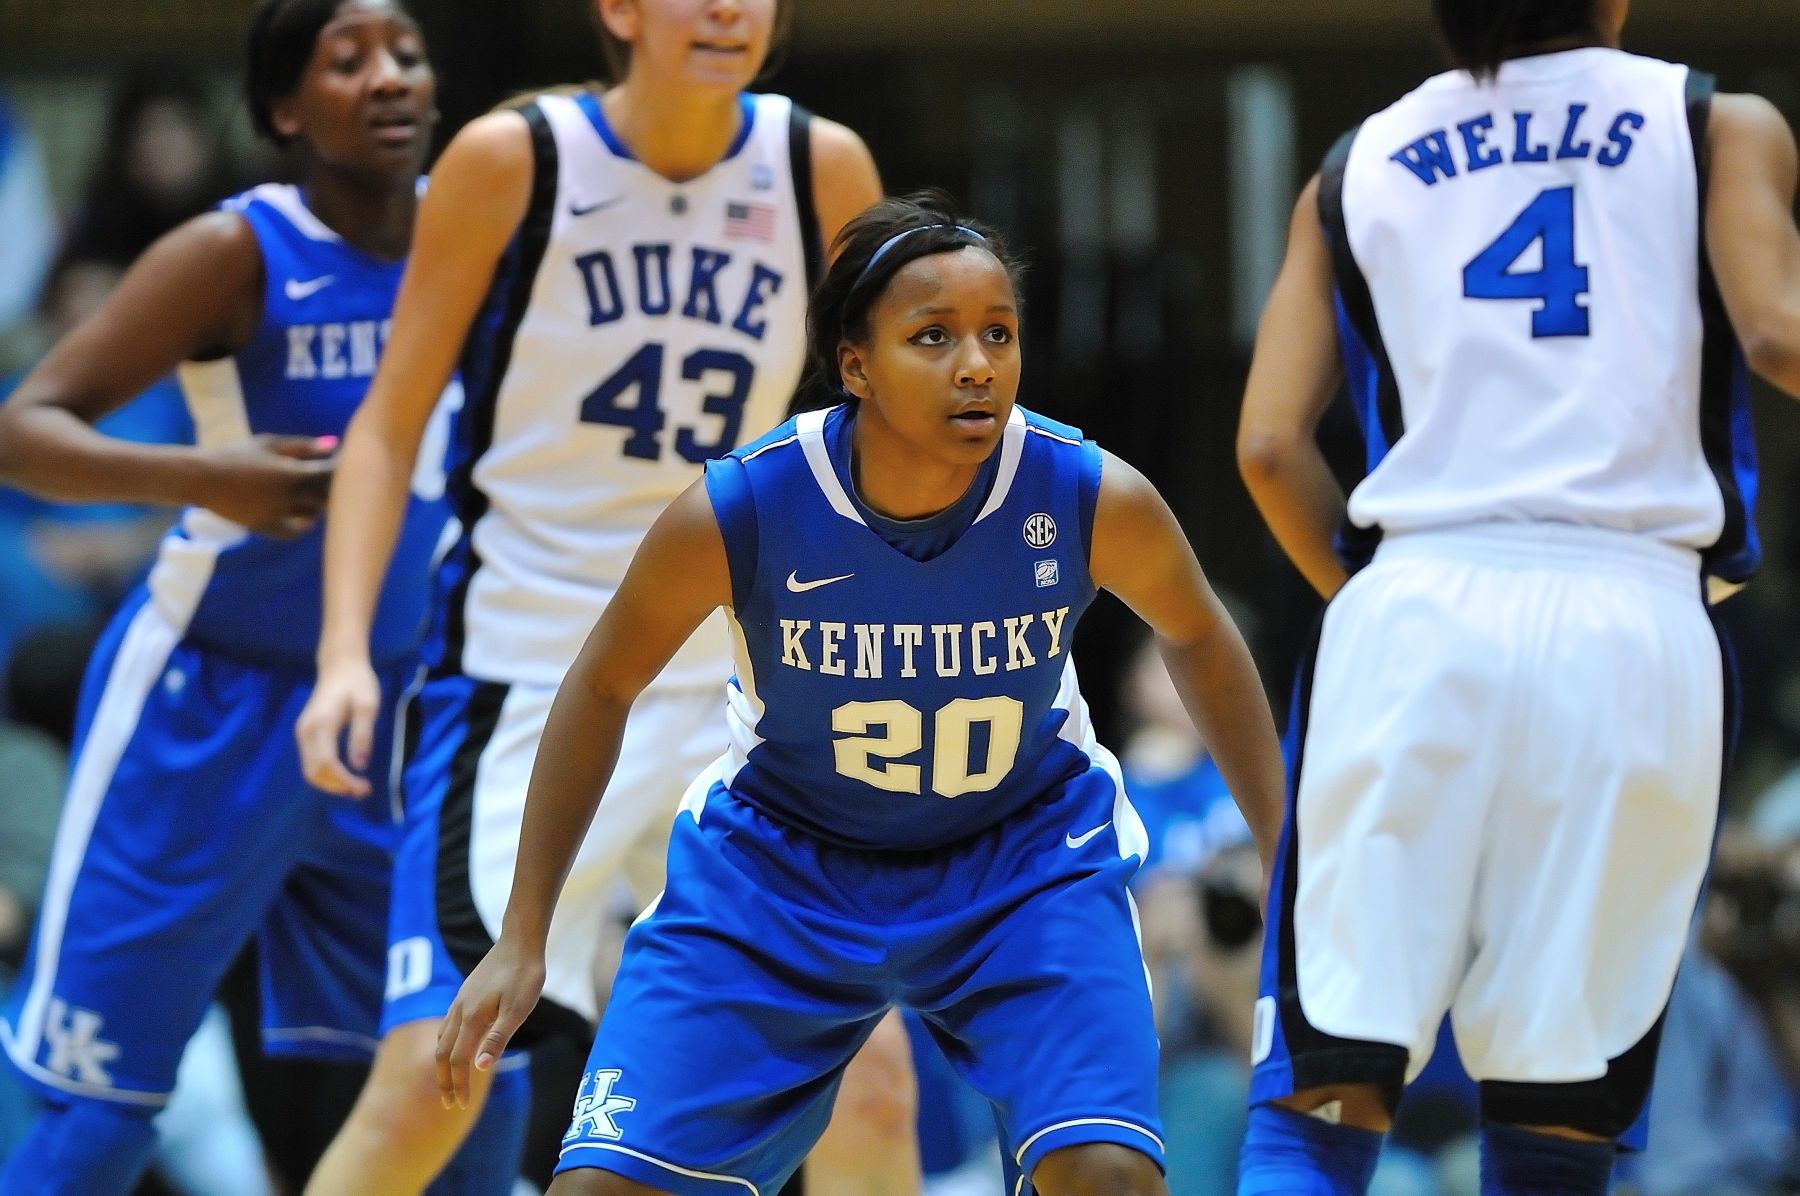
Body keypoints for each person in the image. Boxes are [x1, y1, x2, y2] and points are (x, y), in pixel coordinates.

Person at [433, 191, 1287, 1196]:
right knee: (603, 1190)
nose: (977, 363)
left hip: (1019, 856)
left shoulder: (1087, 492)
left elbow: (1201, 636)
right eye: (934, 336)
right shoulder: (748, 502)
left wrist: (1289, 857)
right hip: (783, 867)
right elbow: (600, 683)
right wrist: (525, 932)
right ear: (855, 364)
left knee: (1106, 1173)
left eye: (998, 334)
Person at [292, 1, 890, 1190]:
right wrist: (345, 650)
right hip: (529, 663)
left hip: (738, 679)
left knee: (874, 1082)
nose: (730, 9)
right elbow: (388, 421)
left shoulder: (821, 165)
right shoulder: (516, 158)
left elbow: (876, 429)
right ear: (617, 8)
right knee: (433, 1073)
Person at [1233, 0, 1800, 1191]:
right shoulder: (1719, 124)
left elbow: (1271, 448)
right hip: (1635, 619)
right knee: (1559, 1109)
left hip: (1418, 603)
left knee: (1328, 1086)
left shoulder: (1354, 162)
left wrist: (1385, 597)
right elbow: (1778, 333)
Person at [0, 0, 447, 1190]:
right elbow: (24, 431)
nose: (390, 77)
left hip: (395, 709)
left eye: (405, 53)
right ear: (286, 109)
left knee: (461, 1073)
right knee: (104, 1106)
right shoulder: (236, 250)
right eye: (348, 61)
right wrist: (207, 478)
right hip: (206, 702)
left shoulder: (472, 241)